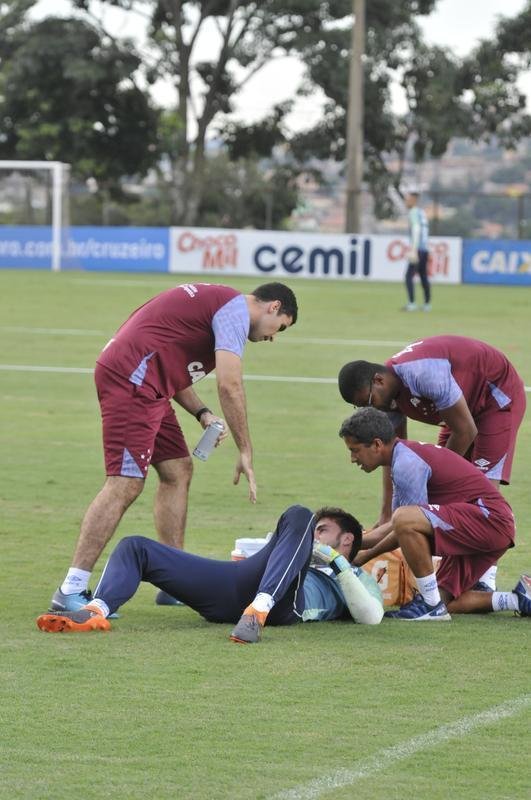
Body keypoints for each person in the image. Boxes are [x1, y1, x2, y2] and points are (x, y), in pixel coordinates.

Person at [50, 281, 298, 614]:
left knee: (177, 469)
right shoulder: (235, 312)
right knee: (124, 483)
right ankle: (70, 589)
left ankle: (173, 582)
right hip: (132, 381)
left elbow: (170, 364)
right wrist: (245, 451)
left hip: (149, 384)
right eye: (280, 327)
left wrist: (202, 412)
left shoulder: (219, 305)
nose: (273, 337)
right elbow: (230, 385)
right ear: (273, 306)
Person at [337, 334, 527, 589]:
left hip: (495, 400)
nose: (373, 410)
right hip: (460, 410)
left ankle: (485, 579)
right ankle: (455, 576)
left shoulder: (422, 374)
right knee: (444, 496)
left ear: (379, 380)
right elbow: (391, 454)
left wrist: (435, 483)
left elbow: (465, 431)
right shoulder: (386, 396)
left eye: (369, 402)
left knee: (480, 491)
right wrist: (386, 514)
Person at [37, 505, 384, 643]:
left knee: (300, 513)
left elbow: (370, 616)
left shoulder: (354, 574)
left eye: (322, 531)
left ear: (347, 540)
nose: (313, 536)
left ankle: (258, 610)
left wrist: (333, 560)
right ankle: (96, 610)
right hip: (236, 586)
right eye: (314, 532)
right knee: (136, 547)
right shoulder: (296, 547)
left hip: (283, 606)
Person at [338, 408, 530, 621]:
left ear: (376, 444)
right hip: (489, 525)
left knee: (405, 521)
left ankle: (430, 606)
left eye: (355, 450)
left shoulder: (406, 464)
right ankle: (519, 598)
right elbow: (394, 526)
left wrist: (365, 554)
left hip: (491, 521)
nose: (352, 458)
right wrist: (349, 545)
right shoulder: (402, 458)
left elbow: (404, 525)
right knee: (446, 600)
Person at [402, 190, 430, 311]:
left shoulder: (413, 212)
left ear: (413, 200)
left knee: (408, 276)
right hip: (425, 249)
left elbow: (416, 230)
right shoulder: (422, 212)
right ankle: (427, 304)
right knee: (423, 276)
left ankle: (412, 303)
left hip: (417, 249)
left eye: (407, 199)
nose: (406, 202)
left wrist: (413, 249)